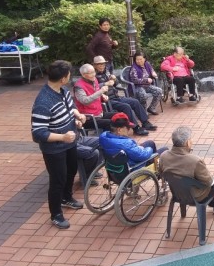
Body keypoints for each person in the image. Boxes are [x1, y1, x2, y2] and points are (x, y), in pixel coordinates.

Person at [31, 60, 86, 230]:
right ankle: (56, 214)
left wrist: (77, 116)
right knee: (57, 181)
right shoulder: (43, 102)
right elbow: (37, 133)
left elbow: (71, 107)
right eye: (69, 75)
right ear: (63, 78)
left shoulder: (63, 90)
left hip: (69, 142)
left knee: (71, 171)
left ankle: (66, 198)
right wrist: (62, 137)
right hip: (54, 149)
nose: (70, 77)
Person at [159, 127, 214, 214]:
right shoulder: (195, 161)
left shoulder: (163, 156)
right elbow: (209, 182)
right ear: (187, 142)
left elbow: (162, 173)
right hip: (195, 196)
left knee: (195, 182)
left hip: (178, 192)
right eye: (190, 139)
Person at [94, 56, 155, 135]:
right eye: (99, 64)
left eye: (103, 64)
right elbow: (93, 88)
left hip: (116, 96)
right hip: (107, 100)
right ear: (95, 65)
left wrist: (115, 79)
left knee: (135, 102)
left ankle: (145, 122)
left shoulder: (107, 72)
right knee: (126, 106)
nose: (102, 66)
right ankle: (136, 128)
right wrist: (105, 84)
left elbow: (116, 84)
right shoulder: (93, 76)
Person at [99, 113, 167, 168]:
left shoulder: (103, 136)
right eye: (128, 128)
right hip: (135, 167)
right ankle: (156, 169)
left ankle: (156, 167)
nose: (129, 130)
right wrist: (148, 149)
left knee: (150, 143)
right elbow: (143, 155)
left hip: (117, 167)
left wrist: (139, 148)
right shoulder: (126, 143)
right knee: (164, 150)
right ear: (119, 130)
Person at [74, 63, 118, 133]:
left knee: (119, 116)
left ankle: (123, 136)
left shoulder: (94, 80)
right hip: (88, 118)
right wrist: (101, 92)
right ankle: (106, 138)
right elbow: (85, 101)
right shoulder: (78, 87)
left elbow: (95, 93)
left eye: (94, 72)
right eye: (91, 73)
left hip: (99, 113)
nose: (94, 74)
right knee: (110, 123)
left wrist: (102, 96)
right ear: (83, 75)